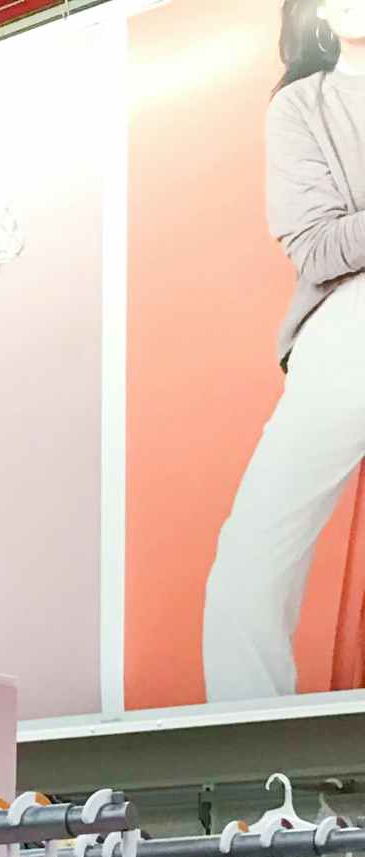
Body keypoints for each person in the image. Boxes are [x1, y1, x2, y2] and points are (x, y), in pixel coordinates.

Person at [203, 0, 365, 702]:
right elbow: (319, 247)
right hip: (352, 319)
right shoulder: (304, 105)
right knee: (253, 558)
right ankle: (253, 760)